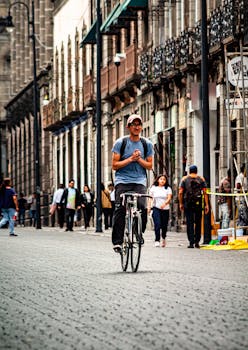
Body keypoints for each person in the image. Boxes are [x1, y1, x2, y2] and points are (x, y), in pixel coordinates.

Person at [111, 114, 154, 252]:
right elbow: (114, 165)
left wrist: (138, 159)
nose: (136, 127)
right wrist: (130, 159)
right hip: (122, 180)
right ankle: (117, 242)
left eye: (139, 124)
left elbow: (149, 166)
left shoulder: (146, 144)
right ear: (128, 127)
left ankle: (138, 232)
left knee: (142, 206)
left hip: (139, 180)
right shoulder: (120, 143)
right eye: (133, 124)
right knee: (120, 209)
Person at [179, 165, 209, 248]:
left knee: (190, 222)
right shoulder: (201, 179)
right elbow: (205, 193)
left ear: (189, 171)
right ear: (196, 171)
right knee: (198, 222)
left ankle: (191, 242)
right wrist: (207, 205)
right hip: (198, 203)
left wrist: (181, 203)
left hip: (188, 203)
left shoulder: (184, 179)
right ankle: (197, 242)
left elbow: (180, 192)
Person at [148, 174, 172, 247]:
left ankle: (163, 238)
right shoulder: (153, 188)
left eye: (164, 179)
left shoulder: (167, 188)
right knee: (157, 224)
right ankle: (157, 240)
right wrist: (149, 207)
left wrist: (165, 204)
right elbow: (150, 198)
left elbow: (169, 198)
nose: (162, 181)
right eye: (161, 179)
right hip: (156, 208)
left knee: (164, 225)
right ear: (158, 180)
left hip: (165, 209)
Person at [235, 164, 248, 234]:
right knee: (243, 216)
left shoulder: (245, 177)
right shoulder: (240, 177)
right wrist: (244, 190)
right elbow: (238, 187)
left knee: (245, 216)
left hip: (244, 198)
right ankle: (241, 232)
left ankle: (243, 232)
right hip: (240, 199)